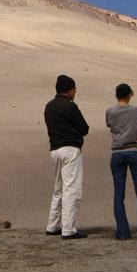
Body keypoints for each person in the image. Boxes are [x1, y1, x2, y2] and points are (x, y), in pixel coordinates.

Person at [105, 83, 137, 240]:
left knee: (119, 193)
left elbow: (110, 125)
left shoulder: (110, 111)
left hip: (118, 152)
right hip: (134, 151)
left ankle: (122, 231)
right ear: (129, 95)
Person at [44, 75, 90, 239]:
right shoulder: (70, 106)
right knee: (72, 189)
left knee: (58, 189)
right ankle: (68, 228)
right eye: (74, 88)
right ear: (68, 89)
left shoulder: (49, 106)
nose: (75, 91)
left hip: (55, 150)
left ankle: (53, 225)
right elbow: (84, 128)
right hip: (70, 149)